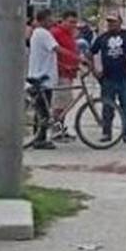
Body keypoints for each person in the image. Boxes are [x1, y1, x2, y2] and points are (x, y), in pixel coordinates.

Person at [90, 13, 126, 144]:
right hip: (108, 78)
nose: (111, 25)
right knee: (107, 108)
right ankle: (106, 133)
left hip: (125, 77)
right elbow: (91, 52)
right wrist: (94, 70)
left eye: (114, 22)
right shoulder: (102, 38)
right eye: (109, 22)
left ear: (120, 22)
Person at [25, 8, 58, 150]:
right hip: (42, 77)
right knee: (43, 111)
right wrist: (77, 58)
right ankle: (39, 139)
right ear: (43, 20)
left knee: (42, 110)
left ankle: (39, 137)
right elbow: (57, 49)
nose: (52, 21)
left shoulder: (38, 33)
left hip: (41, 74)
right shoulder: (43, 33)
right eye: (50, 19)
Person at [50, 9, 82, 139]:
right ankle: (56, 130)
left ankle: (60, 128)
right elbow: (53, 53)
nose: (73, 25)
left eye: (75, 22)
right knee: (59, 104)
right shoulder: (56, 33)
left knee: (65, 104)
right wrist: (65, 66)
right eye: (70, 22)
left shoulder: (70, 34)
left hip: (69, 73)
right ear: (63, 20)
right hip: (61, 73)